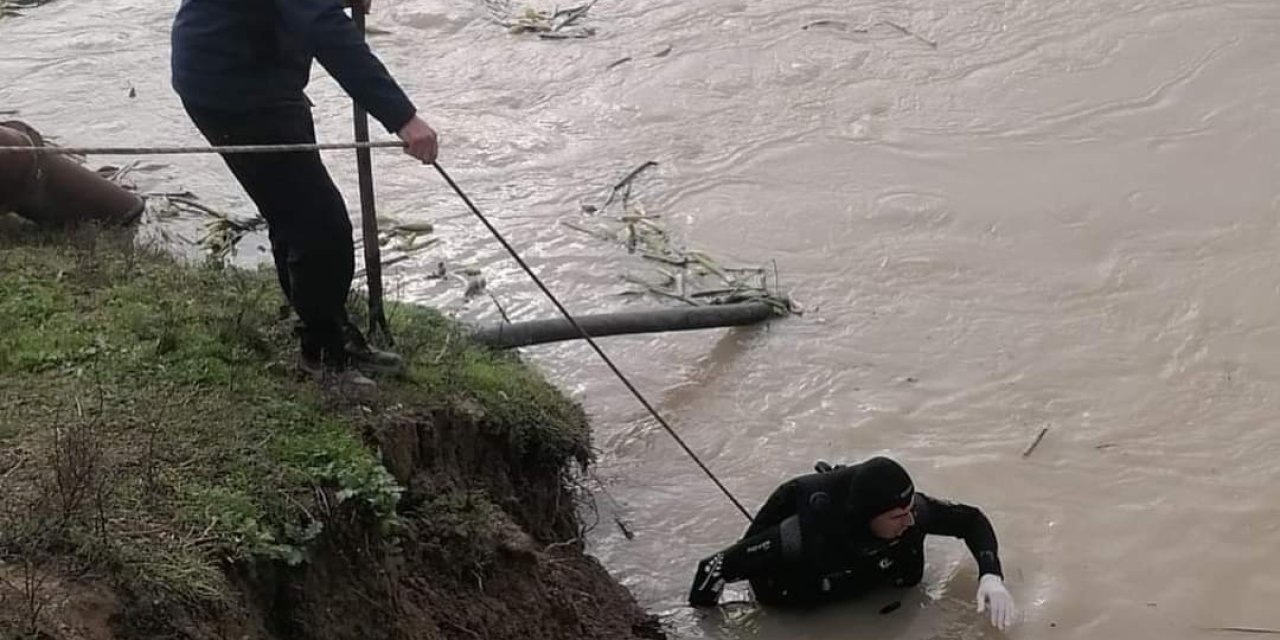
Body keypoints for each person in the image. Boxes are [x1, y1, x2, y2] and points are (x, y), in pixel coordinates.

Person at [170, 0, 439, 389]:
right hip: (232, 86)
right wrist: (402, 117)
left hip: (252, 70)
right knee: (321, 228)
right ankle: (324, 358)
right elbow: (324, 28)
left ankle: (327, 332)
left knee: (293, 213)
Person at [688, 456, 1017, 631]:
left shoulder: (912, 511)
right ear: (866, 516)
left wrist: (991, 575)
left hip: (876, 590)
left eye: (910, 510)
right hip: (804, 595)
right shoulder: (802, 535)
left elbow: (971, 520)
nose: (912, 520)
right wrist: (709, 628)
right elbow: (714, 568)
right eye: (898, 515)